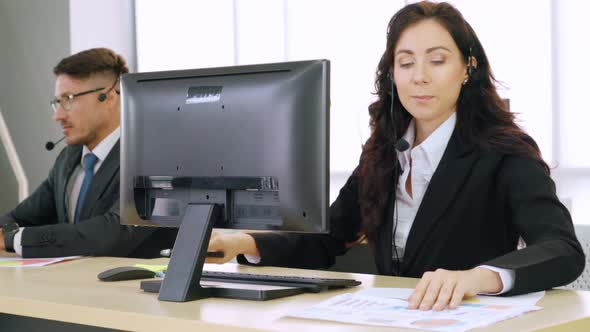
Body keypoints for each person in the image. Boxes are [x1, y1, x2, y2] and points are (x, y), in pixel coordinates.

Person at [205, 1, 585, 310]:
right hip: (397, 317)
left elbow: (562, 249)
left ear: (467, 69)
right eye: (405, 63)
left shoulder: (505, 151)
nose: (419, 76)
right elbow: (329, 237)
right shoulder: (382, 152)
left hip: (470, 320)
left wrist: (475, 277)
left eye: (437, 60)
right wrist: (246, 243)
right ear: (392, 75)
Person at [0, 48, 175, 258]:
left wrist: (15, 239)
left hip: (134, 288)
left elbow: (111, 233)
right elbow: (22, 217)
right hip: (74, 284)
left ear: (109, 97)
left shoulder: (155, 157)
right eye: (57, 102)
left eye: (69, 99)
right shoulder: (69, 158)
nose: (58, 115)